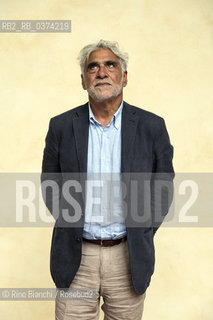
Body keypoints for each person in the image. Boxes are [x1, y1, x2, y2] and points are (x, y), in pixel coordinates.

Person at [41, 39, 174, 320]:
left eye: (110, 65)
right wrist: (70, 223)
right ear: (83, 80)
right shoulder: (61, 126)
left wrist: (142, 230)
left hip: (128, 257)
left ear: (124, 77)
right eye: (93, 67)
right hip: (76, 258)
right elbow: (49, 182)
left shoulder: (152, 126)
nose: (102, 72)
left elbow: (163, 188)